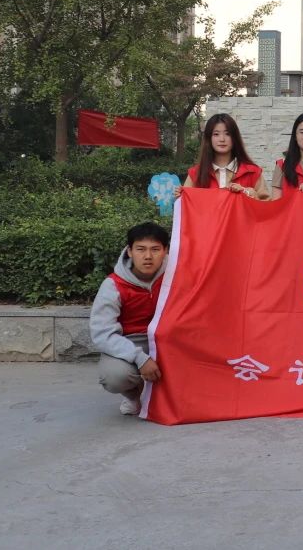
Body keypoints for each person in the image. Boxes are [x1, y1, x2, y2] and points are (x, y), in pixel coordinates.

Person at [89, 222, 170, 417]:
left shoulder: (176, 277)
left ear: (166, 251)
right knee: (115, 376)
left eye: (155, 249)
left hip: (169, 339)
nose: (148, 256)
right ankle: (134, 395)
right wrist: (140, 358)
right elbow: (102, 334)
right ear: (130, 251)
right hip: (131, 341)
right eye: (141, 249)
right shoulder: (113, 285)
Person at [179, 113, 268, 199]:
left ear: (234, 138)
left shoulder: (252, 172)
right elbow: (185, 204)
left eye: (227, 134)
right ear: (209, 138)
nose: (222, 139)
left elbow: (266, 204)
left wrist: (247, 192)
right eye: (216, 134)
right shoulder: (196, 173)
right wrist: (180, 196)